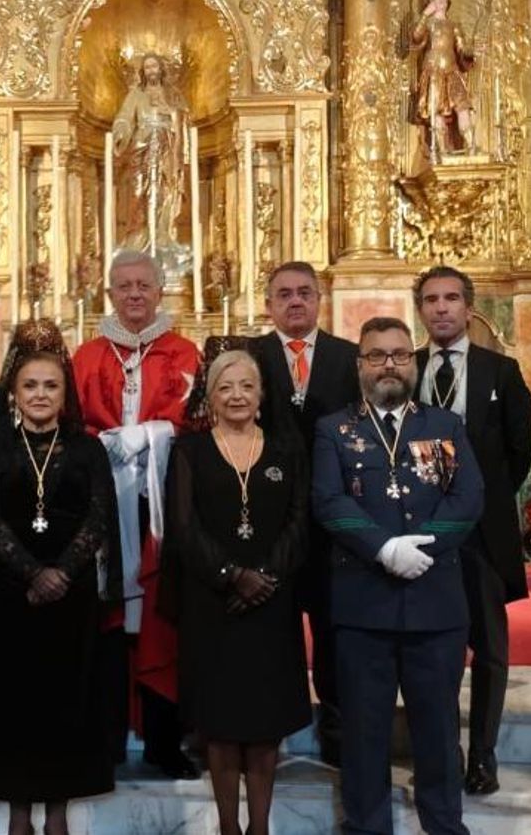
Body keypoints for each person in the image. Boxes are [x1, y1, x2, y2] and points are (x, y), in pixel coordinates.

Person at [314, 317, 482, 835]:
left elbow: (469, 496)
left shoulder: (444, 426)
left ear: (414, 362)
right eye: (377, 355)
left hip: (435, 602)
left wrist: (422, 547)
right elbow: (328, 499)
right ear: (359, 365)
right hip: (365, 603)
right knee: (365, 731)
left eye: (400, 354)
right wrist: (384, 548)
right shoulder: (335, 429)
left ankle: (444, 824)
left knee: (437, 729)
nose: (389, 363)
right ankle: (368, 825)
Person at [0, 319, 116, 835]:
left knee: (64, 704)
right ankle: (17, 814)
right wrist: (33, 573)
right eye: (30, 385)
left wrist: (61, 574)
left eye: (50, 385)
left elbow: (99, 517)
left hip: (70, 600)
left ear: (64, 392)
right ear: (14, 389)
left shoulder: (87, 449)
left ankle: (57, 814)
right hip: (9, 597)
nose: (39, 394)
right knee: (12, 704)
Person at [70, 249, 202, 779]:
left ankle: (163, 742)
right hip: (100, 506)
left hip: (161, 507)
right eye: (123, 286)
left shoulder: (183, 353)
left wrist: (148, 433)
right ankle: (102, 739)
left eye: (143, 285)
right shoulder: (87, 356)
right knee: (105, 619)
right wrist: (102, 444)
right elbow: (65, 419)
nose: (134, 295)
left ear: (160, 290)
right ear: (110, 295)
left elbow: (198, 420)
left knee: (159, 619)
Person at [167, 350, 310, 835]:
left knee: (264, 725)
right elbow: (184, 527)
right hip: (213, 605)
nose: (237, 396)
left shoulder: (287, 449)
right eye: (226, 386)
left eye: (247, 386)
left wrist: (264, 575)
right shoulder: (189, 451)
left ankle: (260, 827)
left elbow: (298, 520)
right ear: (210, 396)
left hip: (271, 605)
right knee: (222, 725)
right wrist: (232, 575)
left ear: (261, 394)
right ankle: (229, 826)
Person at [412, 265, 531, 796]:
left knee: (488, 649)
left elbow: (518, 450)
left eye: (451, 299)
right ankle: (441, 753)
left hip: (482, 534)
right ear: (420, 309)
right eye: (432, 300)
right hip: (420, 535)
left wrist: (478, 500)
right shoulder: (406, 368)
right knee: (428, 651)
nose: (441, 308)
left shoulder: (500, 372)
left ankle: (483, 754)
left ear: (468, 306)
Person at [250, 260, 361, 767]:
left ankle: (339, 729)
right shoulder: (249, 357)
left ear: (320, 300)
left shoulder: (348, 357)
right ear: (268, 303)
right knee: (272, 628)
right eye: (283, 294)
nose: (295, 302)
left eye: (303, 293)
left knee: (335, 625)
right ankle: (268, 727)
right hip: (267, 517)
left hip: (331, 520)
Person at [111, 53, 191, 275]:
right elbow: (125, 118)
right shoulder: (135, 95)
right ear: (143, 72)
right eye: (147, 68)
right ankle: (138, 239)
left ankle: (163, 237)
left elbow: (183, 120)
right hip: (142, 150)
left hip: (167, 151)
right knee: (139, 194)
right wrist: (120, 132)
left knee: (166, 192)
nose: (151, 71)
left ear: (161, 69)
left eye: (154, 66)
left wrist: (173, 116)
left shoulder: (174, 95)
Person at [407, 0, 475, 160]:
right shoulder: (429, 23)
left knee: (463, 106)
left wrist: (469, 52)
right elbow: (416, 36)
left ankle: (471, 145)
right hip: (433, 70)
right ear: (431, 3)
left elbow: (461, 47)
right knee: (435, 108)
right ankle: (441, 150)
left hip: (452, 71)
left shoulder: (454, 25)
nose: (441, 0)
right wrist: (424, 15)